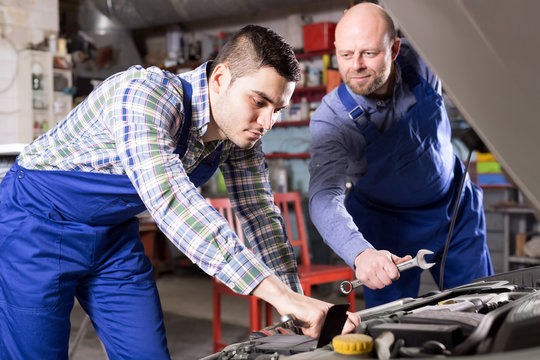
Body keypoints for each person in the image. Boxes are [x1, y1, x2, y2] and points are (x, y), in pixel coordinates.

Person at [0, 25, 357, 359]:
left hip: (112, 235)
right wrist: (279, 295)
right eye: (259, 102)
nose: (267, 123)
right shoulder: (144, 96)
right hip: (37, 226)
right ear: (220, 78)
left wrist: (296, 304)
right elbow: (172, 202)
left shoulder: (239, 135)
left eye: (277, 109)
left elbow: (261, 216)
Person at [308, 3, 493, 308]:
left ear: (394, 49)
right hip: (385, 230)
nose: (356, 65)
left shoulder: (423, 59)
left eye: (369, 53)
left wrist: (487, 118)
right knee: (391, 327)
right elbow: (323, 197)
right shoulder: (332, 119)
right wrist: (361, 253)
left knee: (481, 309)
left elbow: (479, 66)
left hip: (455, 210)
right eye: (346, 55)